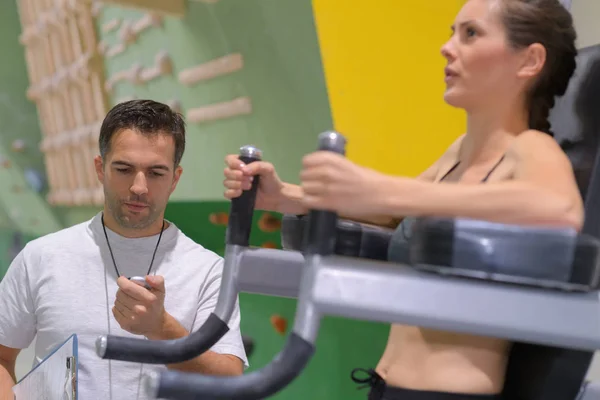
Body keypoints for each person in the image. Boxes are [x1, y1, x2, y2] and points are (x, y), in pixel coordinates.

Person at [222, 0, 582, 399]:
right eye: (452, 32)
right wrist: (286, 195)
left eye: (471, 34)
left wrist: (382, 186)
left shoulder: (532, 148)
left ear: (529, 60)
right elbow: (392, 211)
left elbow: (561, 210)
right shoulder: (460, 151)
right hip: (388, 385)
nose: (447, 47)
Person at [0, 99, 247, 400]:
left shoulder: (208, 271)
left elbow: (230, 385)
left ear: (174, 179)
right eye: (124, 169)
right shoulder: (41, 257)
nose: (139, 187)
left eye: (156, 172)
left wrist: (161, 329)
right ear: (100, 169)